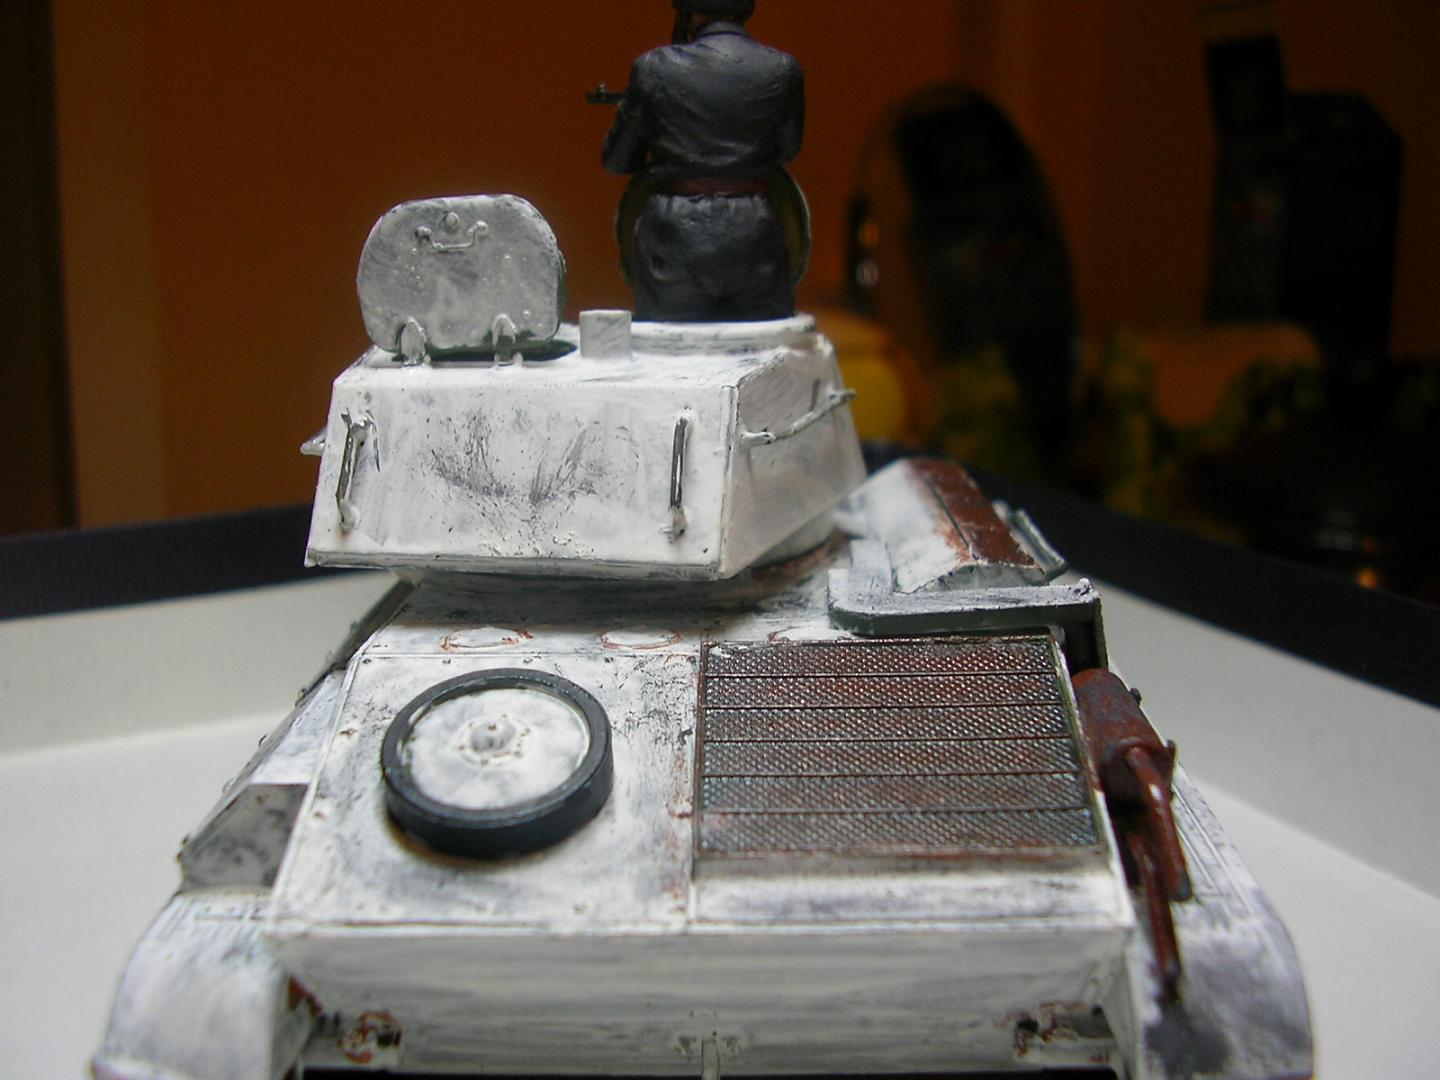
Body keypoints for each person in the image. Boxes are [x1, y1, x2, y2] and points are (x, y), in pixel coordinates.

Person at [602, 0, 805, 322]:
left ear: (687, 12)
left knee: (666, 346)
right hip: (755, 233)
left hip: (674, 235)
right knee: (766, 345)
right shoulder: (783, 68)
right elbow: (787, 150)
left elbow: (618, 160)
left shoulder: (654, 67)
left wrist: (640, 112)